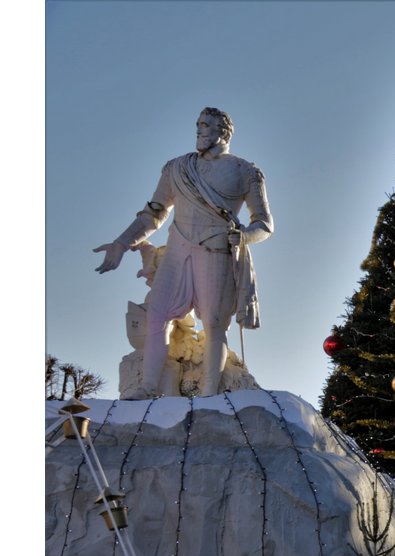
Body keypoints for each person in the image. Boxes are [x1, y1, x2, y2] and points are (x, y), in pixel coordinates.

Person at [95, 108, 273, 398]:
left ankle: (209, 394)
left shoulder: (245, 171)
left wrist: (244, 237)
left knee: (215, 324)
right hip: (177, 250)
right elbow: (153, 214)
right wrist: (122, 242)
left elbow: (264, 224)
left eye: (206, 125)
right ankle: (149, 387)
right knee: (157, 314)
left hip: (216, 250)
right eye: (198, 125)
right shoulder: (177, 167)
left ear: (223, 132)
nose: (200, 131)